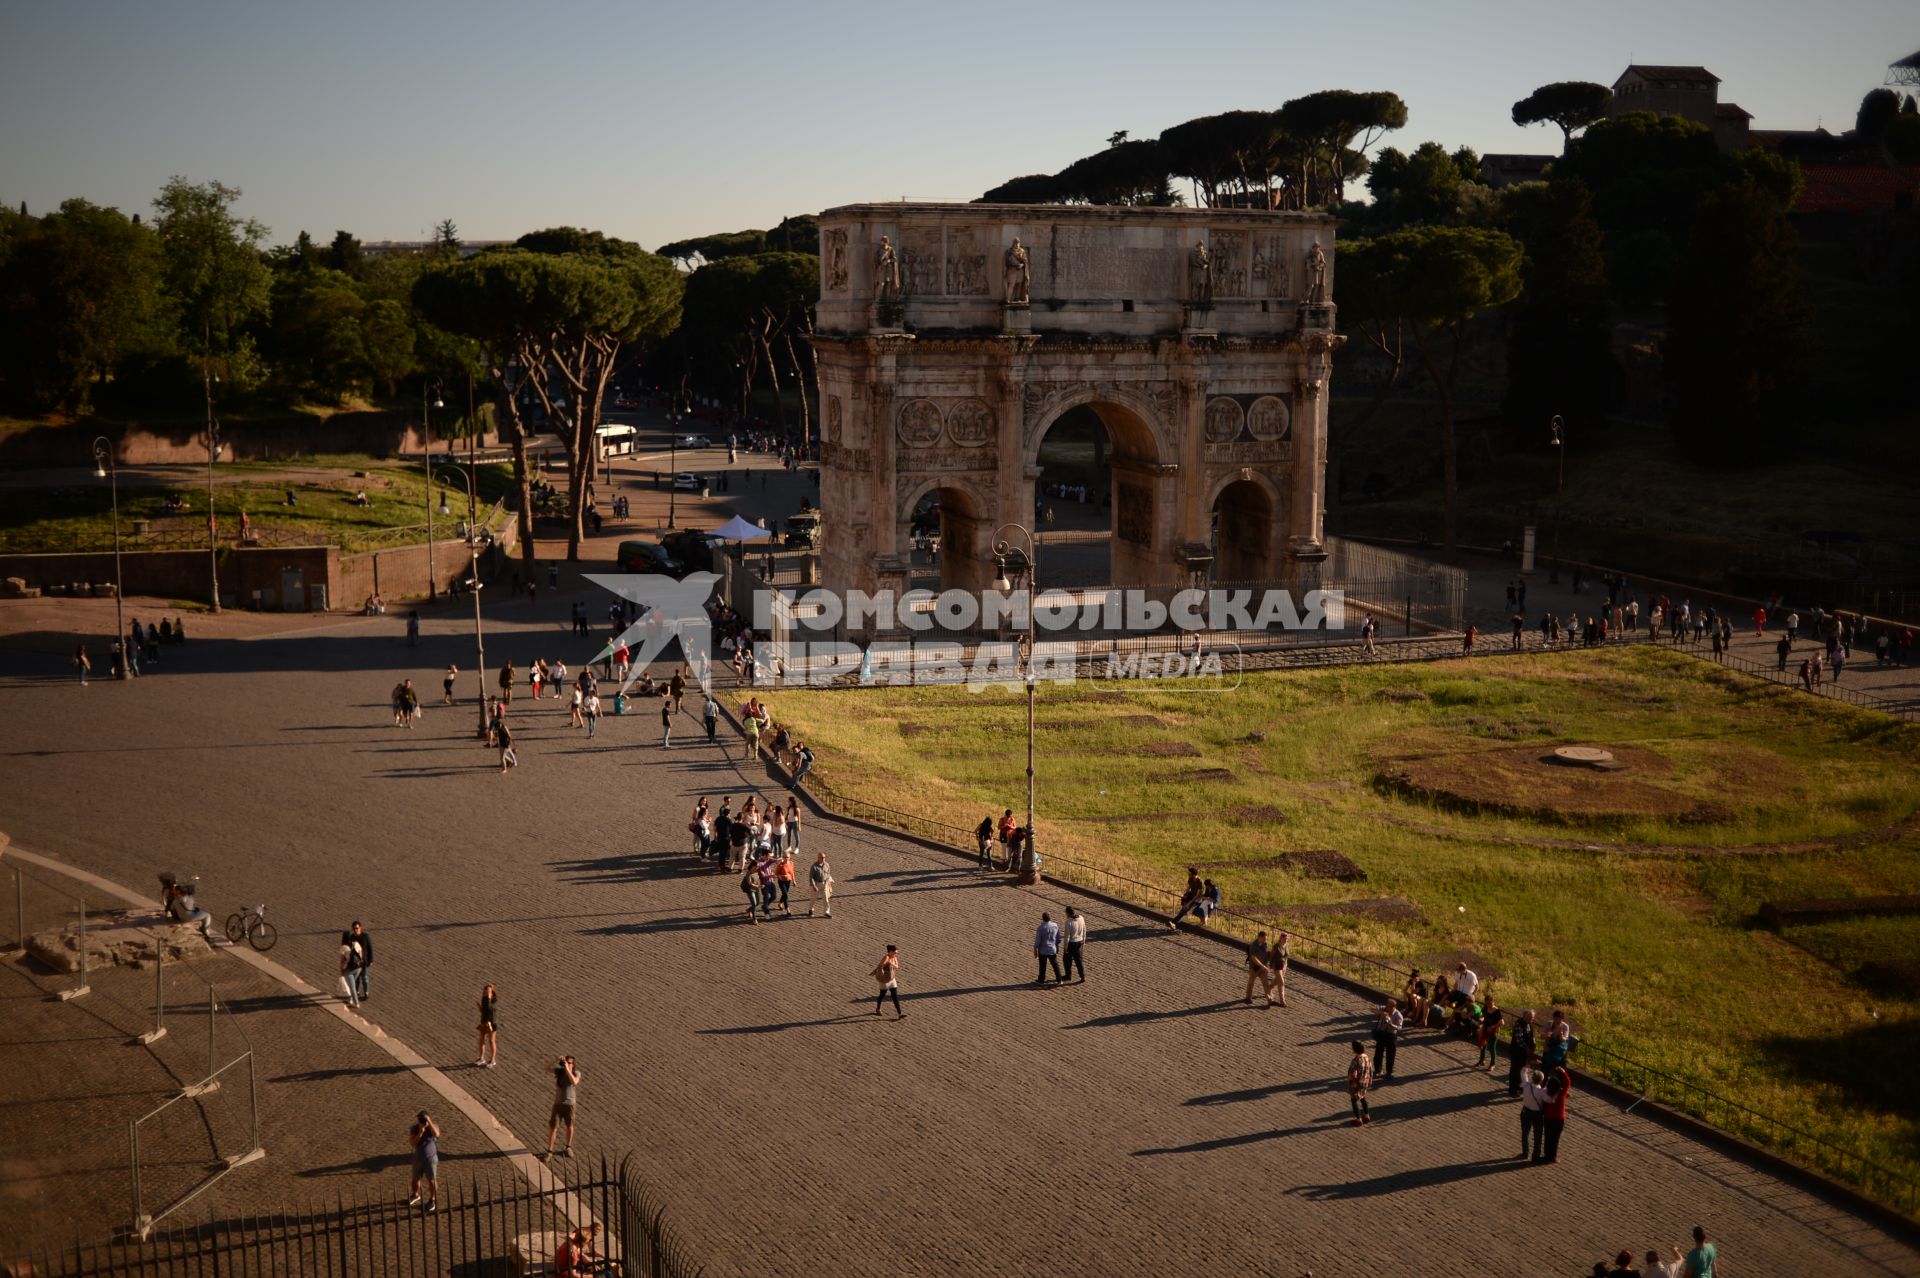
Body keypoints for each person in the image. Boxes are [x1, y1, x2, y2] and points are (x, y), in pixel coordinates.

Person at [544, 1056, 580, 1159]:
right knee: (553, 1127)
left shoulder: (576, 1073)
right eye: (566, 1062)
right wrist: (555, 1059)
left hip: (570, 1105)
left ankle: (568, 1147)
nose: (567, 1064)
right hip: (558, 1104)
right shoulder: (559, 1071)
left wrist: (568, 1070)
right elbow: (546, 1068)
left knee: (569, 1126)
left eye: (569, 1063)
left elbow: (574, 1082)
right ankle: (549, 1151)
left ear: (573, 1065)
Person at [1538, 1061, 1571, 1163]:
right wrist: (1563, 1072)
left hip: (1548, 1118)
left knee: (1548, 1138)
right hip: (1558, 1119)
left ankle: (1547, 1155)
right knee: (1555, 1139)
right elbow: (1568, 1082)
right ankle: (1553, 1157)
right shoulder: (1561, 1095)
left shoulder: (1546, 1094)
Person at [407, 1111, 440, 1213]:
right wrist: (420, 1133)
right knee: (415, 1179)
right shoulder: (415, 1128)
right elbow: (412, 1143)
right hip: (418, 1158)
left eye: (423, 1119)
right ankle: (415, 1194)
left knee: (432, 1180)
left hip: (430, 1159)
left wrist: (429, 1122)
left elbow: (437, 1134)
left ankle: (432, 1199)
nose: (421, 1121)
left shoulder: (433, 1127)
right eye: (420, 1119)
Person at [1518, 1059, 1547, 1160]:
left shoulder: (1526, 1085)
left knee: (1525, 1133)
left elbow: (1523, 1071)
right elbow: (1549, 1099)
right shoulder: (1542, 1092)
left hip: (1525, 1111)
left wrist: (1529, 1064)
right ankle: (1535, 1155)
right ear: (1541, 1081)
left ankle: (1525, 1153)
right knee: (1537, 1135)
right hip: (1537, 1114)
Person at [1508, 1008, 1538, 1098]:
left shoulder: (1529, 1024)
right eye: (1529, 1017)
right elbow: (1519, 1039)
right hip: (1517, 1051)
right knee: (1515, 1070)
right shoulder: (1519, 1024)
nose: (1531, 1019)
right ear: (1524, 1016)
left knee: (1522, 1070)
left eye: (1532, 1017)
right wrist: (1527, 1049)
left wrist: (1533, 1044)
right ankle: (1513, 1089)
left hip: (1524, 1052)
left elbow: (1532, 1036)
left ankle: (1518, 1086)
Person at [341, 922, 373, 1002]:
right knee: (357, 978)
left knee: (365, 978)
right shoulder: (352, 938)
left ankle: (366, 993)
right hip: (355, 963)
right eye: (354, 928)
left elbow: (370, 948)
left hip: (364, 961)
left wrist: (371, 960)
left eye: (357, 928)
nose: (355, 930)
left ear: (360, 928)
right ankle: (357, 992)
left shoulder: (365, 936)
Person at [1373, 998, 1403, 1078]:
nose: (1387, 1008)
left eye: (1389, 1007)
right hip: (1382, 1034)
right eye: (1387, 1005)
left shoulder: (1398, 1015)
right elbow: (1373, 1009)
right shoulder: (1384, 1009)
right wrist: (1381, 1013)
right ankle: (1377, 1070)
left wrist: (1391, 1024)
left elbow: (1399, 1028)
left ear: (1394, 1007)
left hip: (1391, 1036)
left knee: (1390, 1055)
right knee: (1378, 1053)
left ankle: (1389, 1072)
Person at [872, 944, 904, 1018]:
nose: (896, 954)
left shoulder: (894, 958)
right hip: (884, 979)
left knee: (895, 997)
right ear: (890, 952)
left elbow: (897, 966)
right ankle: (878, 1008)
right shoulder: (885, 957)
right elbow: (880, 966)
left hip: (892, 979)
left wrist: (890, 963)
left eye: (896, 953)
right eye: (895, 952)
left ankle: (900, 1013)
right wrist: (885, 964)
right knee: (882, 995)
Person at [1346, 1040, 1373, 1126]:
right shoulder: (1367, 1058)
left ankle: (1358, 1119)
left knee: (1354, 1100)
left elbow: (1353, 1074)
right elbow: (1371, 1070)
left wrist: (1351, 1081)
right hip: (1365, 1081)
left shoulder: (1356, 1060)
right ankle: (1366, 1115)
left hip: (1357, 1083)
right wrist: (1369, 1081)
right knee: (1363, 1098)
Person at [1244, 931, 1275, 1005]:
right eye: (1264, 938)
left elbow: (1266, 954)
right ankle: (1248, 997)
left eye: (1266, 939)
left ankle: (1269, 998)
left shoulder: (1265, 944)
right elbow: (1254, 958)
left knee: (1266, 983)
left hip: (1263, 968)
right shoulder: (1253, 946)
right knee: (1251, 982)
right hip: (1254, 968)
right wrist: (1263, 966)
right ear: (1259, 937)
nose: (1265, 940)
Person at [1033, 911, 1063, 985]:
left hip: (1043, 950)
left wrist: (1035, 949)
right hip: (1052, 948)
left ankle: (1041, 980)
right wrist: (1057, 946)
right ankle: (1059, 979)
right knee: (1055, 965)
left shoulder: (1041, 928)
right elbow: (1058, 938)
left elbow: (1038, 940)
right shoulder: (1055, 925)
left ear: (1043, 919)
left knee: (1042, 965)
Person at [1060, 906, 1086, 982]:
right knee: (1079, 961)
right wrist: (1083, 942)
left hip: (1071, 943)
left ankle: (1068, 975)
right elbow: (1084, 930)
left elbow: (1067, 937)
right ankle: (1082, 976)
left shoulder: (1068, 922)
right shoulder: (1081, 918)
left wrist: (1065, 948)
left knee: (1067, 960)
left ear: (1067, 913)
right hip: (1080, 942)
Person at [475, 983, 498, 1068]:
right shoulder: (484, 998)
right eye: (486, 990)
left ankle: (493, 1060)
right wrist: (480, 1007)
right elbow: (484, 1011)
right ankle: (481, 1058)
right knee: (481, 1040)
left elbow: (490, 1009)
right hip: (484, 1021)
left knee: (491, 1041)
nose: (487, 992)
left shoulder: (494, 1000)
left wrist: (488, 998)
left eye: (489, 990)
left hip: (492, 1022)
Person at [339, 932, 364, 1007]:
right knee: (352, 984)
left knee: (352, 986)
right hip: (358, 968)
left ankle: (356, 1003)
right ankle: (350, 999)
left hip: (350, 969)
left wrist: (341, 970)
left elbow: (342, 961)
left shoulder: (343, 947)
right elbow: (360, 954)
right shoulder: (356, 943)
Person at [808, 850, 833, 917]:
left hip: (824, 884)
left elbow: (828, 873)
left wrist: (829, 881)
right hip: (816, 884)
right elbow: (811, 877)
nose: (823, 859)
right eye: (821, 857)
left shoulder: (827, 865)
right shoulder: (814, 866)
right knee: (813, 898)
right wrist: (814, 886)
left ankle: (826, 912)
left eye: (824, 857)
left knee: (826, 898)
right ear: (818, 858)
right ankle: (811, 909)